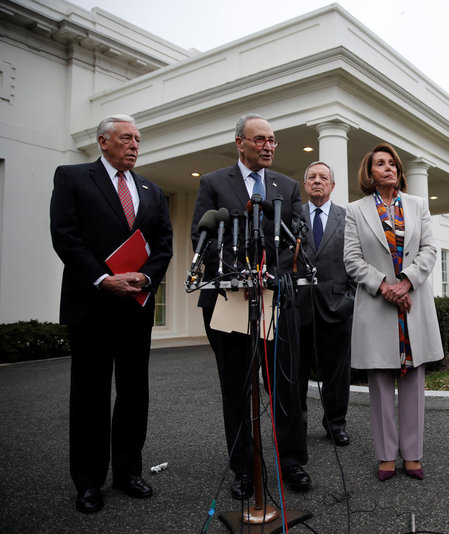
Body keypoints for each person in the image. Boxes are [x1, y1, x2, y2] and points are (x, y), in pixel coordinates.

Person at [50, 115, 173, 514]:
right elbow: (65, 237)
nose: (135, 144)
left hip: (136, 308)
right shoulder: (72, 177)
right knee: (90, 397)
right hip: (91, 306)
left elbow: (164, 245)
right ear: (103, 141)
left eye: (138, 138)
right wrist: (104, 279)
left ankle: (128, 472)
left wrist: (145, 278)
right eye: (126, 138)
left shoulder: (152, 190)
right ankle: (88, 483)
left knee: (135, 394)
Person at [191, 113, 310, 496]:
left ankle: (292, 463)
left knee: (285, 385)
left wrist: (271, 274)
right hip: (229, 299)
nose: (269, 146)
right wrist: (237, 272)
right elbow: (204, 236)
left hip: (277, 298)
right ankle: (244, 469)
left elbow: (299, 241)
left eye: (272, 140)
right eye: (260, 139)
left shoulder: (288, 187)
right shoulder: (212, 183)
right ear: (239, 142)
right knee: (237, 387)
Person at [343, 142, 443, 481]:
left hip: (412, 304)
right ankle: (386, 456)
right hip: (377, 305)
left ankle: (413, 455)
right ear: (369, 173)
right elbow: (352, 260)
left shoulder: (417, 205)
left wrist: (407, 282)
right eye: (379, 163)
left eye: (392, 163)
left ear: (398, 170)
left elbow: (429, 250)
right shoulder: (355, 211)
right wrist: (385, 286)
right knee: (381, 382)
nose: (388, 168)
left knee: (414, 380)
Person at [297, 161, 355, 447]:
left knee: (337, 373)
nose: (317, 181)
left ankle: (335, 424)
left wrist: (351, 300)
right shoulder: (292, 217)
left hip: (337, 307)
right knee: (296, 372)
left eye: (323, 177)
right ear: (305, 185)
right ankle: (298, 427)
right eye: (312, 177)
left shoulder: (348, 218)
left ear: (332, 185)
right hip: (298, 308)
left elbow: (358, 262)